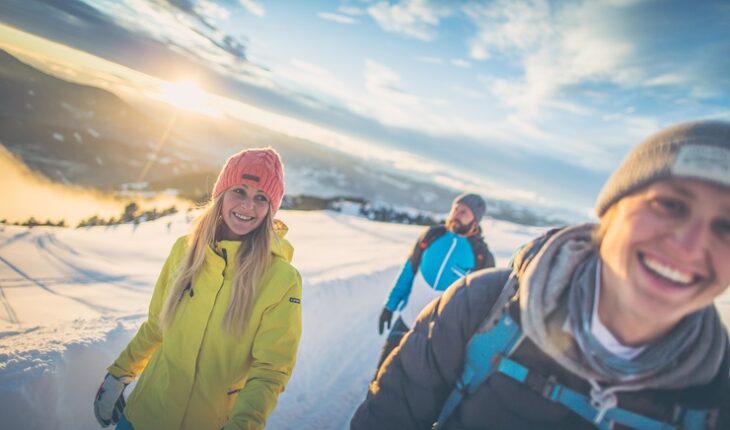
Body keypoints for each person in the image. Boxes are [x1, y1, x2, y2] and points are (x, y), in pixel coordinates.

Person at [351, 120, 730, 429]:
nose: (691, 246)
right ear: (610, 213)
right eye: (669, 204)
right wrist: (393, 305)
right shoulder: (481, 305)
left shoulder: (717, 400)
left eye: (727, 226)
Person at [93, 148, 302, 430]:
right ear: (221, 194)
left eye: (261, 198)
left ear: (270, 209)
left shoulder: (281, 279)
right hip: (144, 414)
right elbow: (157, 326)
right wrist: (118, 374)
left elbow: (270, 371)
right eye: (239, 191)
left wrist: (243, 425)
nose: (248, 205)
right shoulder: (185, 250)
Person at [375, 193, 495, 373]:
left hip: (435, 337)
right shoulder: (433, 235)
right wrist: (390, 306)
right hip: (406, 321)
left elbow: (478, 306)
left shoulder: (481, 257)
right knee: (382, 372)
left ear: (475, 220)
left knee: (410, 381)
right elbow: (409, 271)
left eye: (463, 212)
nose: (456, 214)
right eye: (455, 209)